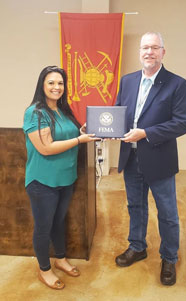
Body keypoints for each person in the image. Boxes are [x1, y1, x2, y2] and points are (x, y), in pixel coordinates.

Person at [115, 32, 186, 286]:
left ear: (163, 52)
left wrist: (146, 133)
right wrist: (102, 128)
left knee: (167, 212)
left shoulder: (177, 83)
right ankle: (137, 246)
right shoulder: (127, 80)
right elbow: (118, 113)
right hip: (131, 157)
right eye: (145, 48)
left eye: (154, 48)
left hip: (159, 158)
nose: (149, 52)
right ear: (140, 52)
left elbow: (181, 123)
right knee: (135, 206)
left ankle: (169, 257)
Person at [23, 66, 98, 290]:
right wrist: (79, 141)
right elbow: (45, 148)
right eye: (51, 83)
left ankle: (61, 258)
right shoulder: (35, 112)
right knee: (43, 227)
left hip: (66, 178)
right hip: (42, 182)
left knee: (58, 221)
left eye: (60, 83)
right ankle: (44, 269)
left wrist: (81, 131)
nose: (57, 87)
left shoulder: (63, 110)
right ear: (42, 85)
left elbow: (69, 133)